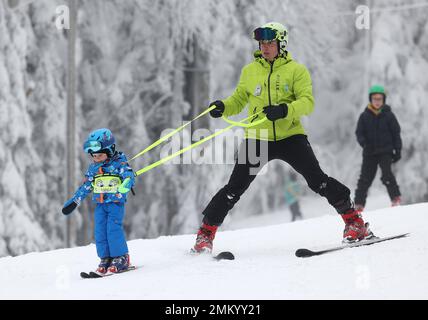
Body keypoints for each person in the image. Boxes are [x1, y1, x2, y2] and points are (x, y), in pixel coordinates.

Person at [192, 22, 375, 253]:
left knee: (318, 180)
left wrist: (284, 110)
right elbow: (238, 100)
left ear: (281, 44)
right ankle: (205, 236)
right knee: (234, 188)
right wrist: (222, 107)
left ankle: (355, 223)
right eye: (262, 43)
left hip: (290, 136)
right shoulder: (250, 71)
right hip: (258, 137)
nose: (265, 47)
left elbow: (307, 102)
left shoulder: (296, 71)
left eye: (270, 42)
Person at [62, 128, 135, 275]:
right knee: (100, 231)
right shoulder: (94, 168)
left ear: (110, 150)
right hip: (101, 205)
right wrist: (76, 200)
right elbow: (87, 185)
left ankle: (121, 258)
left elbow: (129, 175)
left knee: (112, 229)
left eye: (99, 155)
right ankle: (106, 258)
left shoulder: (119, 163)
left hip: (115, 203)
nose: (96, 158)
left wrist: (126, 183)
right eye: (93, 156)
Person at [354, 85, 402, 211]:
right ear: (370, 99)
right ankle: (359, 204)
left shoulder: (389, 115)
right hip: (369, 152)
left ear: (383, 100)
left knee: (387, 175)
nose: (377, 101)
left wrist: (398, 150)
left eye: (380, 99)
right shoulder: (364, 116)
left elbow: (396, 133)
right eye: (375, 99)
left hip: (385, 151)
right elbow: (359, 133)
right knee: (365, 178)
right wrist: (364, 144)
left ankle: (395, 198)